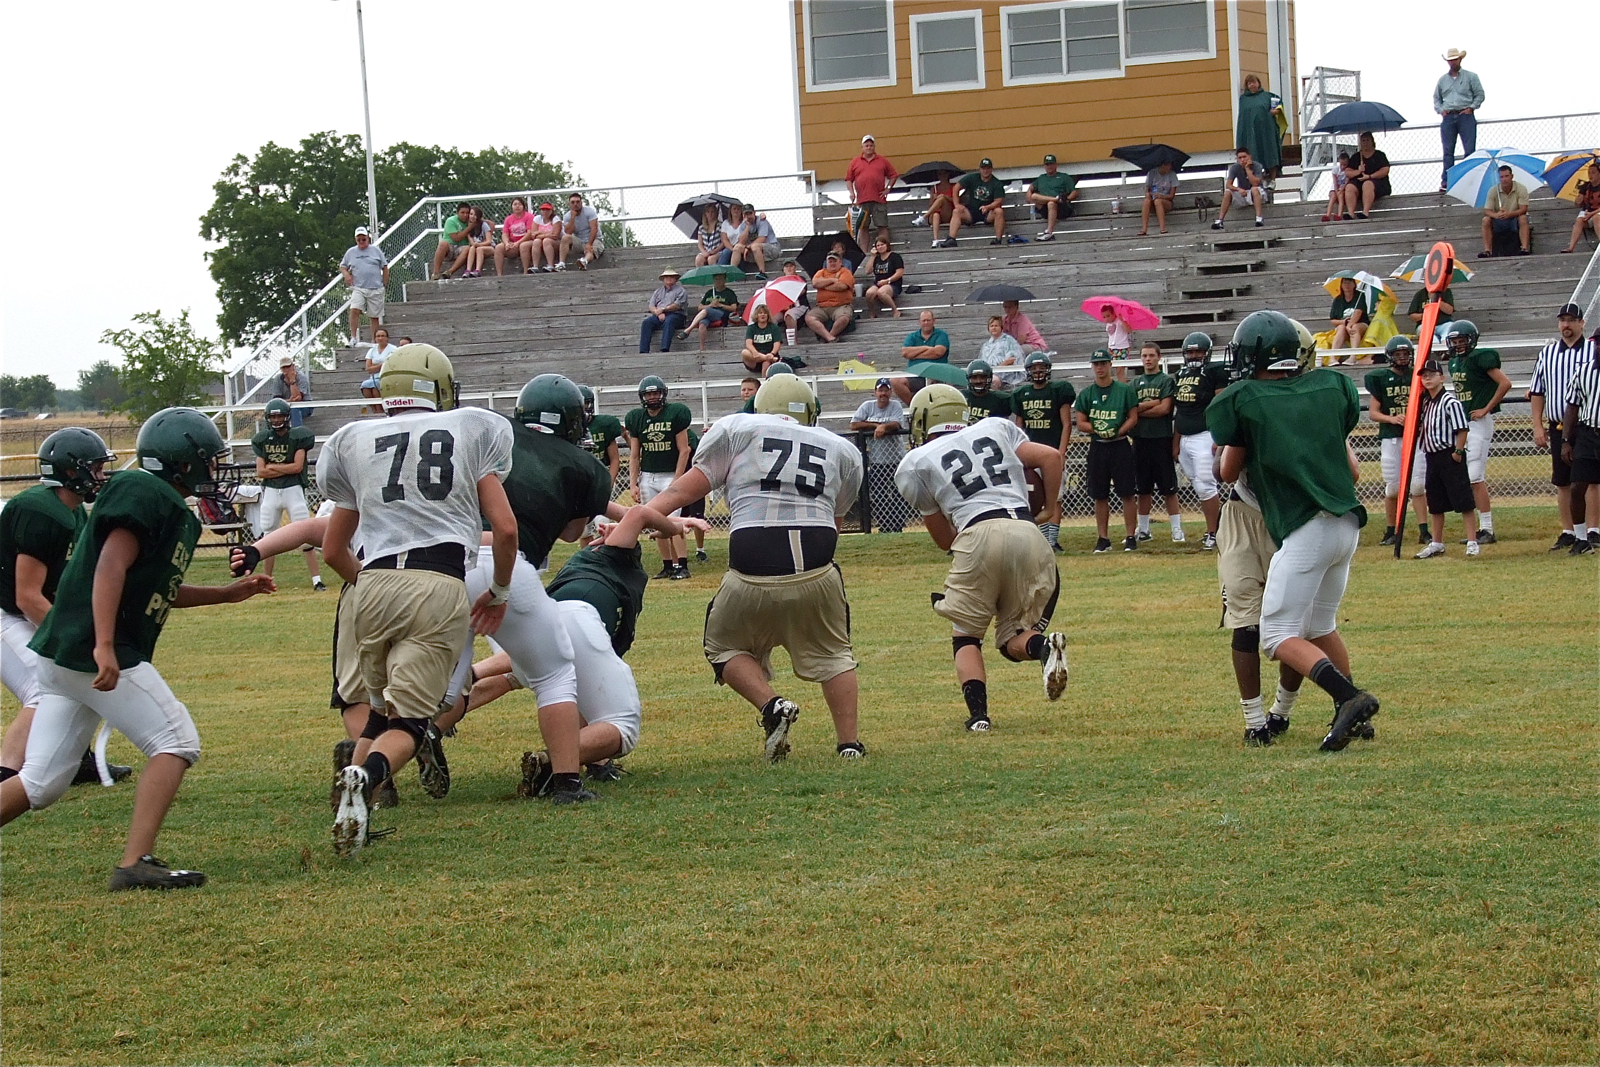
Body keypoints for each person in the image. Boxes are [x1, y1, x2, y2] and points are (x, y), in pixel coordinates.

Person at [0, 409, 275, 889]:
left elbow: (152, 586)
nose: (215, 468)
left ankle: (135, 863)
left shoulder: (164, 504)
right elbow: (110, 567)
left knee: (41, 782)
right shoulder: (144, 493)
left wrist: (224, 594)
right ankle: (134, 863)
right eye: (209, 459)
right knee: (176, 742)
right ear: (182, 461)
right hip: (91, 649)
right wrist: (105, 645)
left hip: (67, 655)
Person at [318, 344, 518, 855]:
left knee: (377, 711)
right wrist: (498, 590)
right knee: (408, 722)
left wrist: (368, 584)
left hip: (372, 583)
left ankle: (355, 805)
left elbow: (333, 550)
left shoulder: (352, 440)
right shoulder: (469, 429)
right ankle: (367, 775)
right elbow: (505, 528)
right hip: (437, 581)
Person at [646, 375, 866, 763]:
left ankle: (772, 705)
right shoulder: (841, 448)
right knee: (835, 655)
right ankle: (849, 744)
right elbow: (834, 523)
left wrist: (635, 518)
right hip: (816, 565)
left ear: (760, 406)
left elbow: (681, 491)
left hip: (752, 565)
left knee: (722, 646)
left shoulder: (738, 428)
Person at [428, 375, 621, 806]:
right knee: (555, 673)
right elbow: (571, 533)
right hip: (504, 563)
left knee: (443, 686)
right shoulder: (584, 466)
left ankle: (377, 767)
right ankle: (567, 783)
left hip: (444, 562)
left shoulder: (486, 431)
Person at [1208, 310, 1378, 753]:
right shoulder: (1332, 387)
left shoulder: (1245, 399)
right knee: (1320, 625)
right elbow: (1352, 471)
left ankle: (1349, 698)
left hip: (1305, 528)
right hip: (1346, 524)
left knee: (1277, 634)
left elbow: (1226, 471)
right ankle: (1352, 712)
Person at [456, 503, 707, 795]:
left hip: (543, 619)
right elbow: (638, 514)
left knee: (535, 680)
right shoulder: (611, 553)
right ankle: (551, 762)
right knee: (621, 725)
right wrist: (674, 527)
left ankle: (433, 721)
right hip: (579, 618)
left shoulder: (584, 563)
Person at [895, 384, 1070, 731]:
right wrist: (1050, 508)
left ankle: (979, 717)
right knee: (1013, 637)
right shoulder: (996, 427)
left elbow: (945, 540)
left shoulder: (916, 462)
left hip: (976, 533)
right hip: (1028, 531)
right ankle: (1043, 649)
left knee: (967, 637)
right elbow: (1052, 457)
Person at [0, 428, 131, 788]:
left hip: (22, 610)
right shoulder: (39, 511)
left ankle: (76, 760)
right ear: (72, 471)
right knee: (41, 690)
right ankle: (5, 775)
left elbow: (68, 583)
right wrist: (72, 638)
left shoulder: (72, 513)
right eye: (96, 468)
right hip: (7, 612)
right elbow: (27, 596)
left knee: (73, 677)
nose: (101, 476)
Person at [1530, 304, 1599, 549]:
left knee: (1591, 480)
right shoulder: (1547, 353)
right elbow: (1537, 391)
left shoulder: (1593, 349)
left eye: (1571, 320)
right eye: (1562, 320)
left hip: (1588, 424)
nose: (1566, 325)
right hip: (1559, 425)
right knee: (1563, 480)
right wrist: (1537, 425)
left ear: (1582, 323)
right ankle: (1568, 530)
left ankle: (1593, 530)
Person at [1444, 319, 1511, 544]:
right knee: (1468, 477)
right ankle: (1479, 530)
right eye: (1454, 341)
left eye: (1461, 340)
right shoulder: (1455, 362)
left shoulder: (1481, 358)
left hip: (1479, 422)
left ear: (1471, 340)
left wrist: (1486, 408)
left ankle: (1488, 529)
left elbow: (1505, 383)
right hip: (1464, 423)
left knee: (1475, 477)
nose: (1458, 345)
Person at [1365, 337, 1431, 548]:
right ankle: (1391, 531)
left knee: (1418, 485)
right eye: (1398, 354)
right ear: (1390, 356)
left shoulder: (1418, 376)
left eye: (1405, 354)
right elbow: (1373, 413)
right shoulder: (1381, 378)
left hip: (1416, 437)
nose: (1402, 358)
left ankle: (1424, 530)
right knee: (1393, 487)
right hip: (1391, 437)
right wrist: (1392, 419)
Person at [626, 376, 694, 580]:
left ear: (663, 394)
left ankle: (682, 565)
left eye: (656, 393)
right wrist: (633, 483)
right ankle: (668, 565)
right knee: (655, 521)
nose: (653, 397)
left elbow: (684, 450)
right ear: (642, 396)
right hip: (648, 476)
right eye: (649, 394)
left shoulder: (675, 413)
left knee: (673, 519)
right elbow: (634, 455)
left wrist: (678, 478)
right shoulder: (636, 418)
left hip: (670, 474)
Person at [252, 398, 324, 590]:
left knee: (306, 536)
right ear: (268, 418)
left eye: (280, 416)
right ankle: (266, 580)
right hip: (271, 491)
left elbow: (297, 467)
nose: (276, 420)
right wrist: (284, 467)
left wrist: (273, 467)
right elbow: (261, 471)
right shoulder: (262, 439)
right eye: (273, 417)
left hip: (293, 489)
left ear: (287, 417)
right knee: (268, 534)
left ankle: (317, 580)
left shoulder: (298, 437)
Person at [1074, 349, 1140, 553]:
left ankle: (1130, 536)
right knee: (1100, 494)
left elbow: (1133, 417)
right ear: (1092, 367)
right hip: (1098, 446)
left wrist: (1118, 430)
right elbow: (1080, 422)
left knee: (1127, 492)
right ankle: (1103, 538)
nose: (1100, 367)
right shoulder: (1087, 393)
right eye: (1096, 364)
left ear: (1110, 365)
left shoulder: (1124, 390)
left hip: (1120, 444)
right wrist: (1099, 430)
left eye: (1103, 363)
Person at [1414, 359, 1480, 558]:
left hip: (1448, 453)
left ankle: (1472, 540)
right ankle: (1437, 542)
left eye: (1431, 375)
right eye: (1424, 376)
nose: (1427, 379)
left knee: (1463, 499)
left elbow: (1462, 428)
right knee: (1435, 502)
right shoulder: (1426, 402)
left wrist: (1458, 452)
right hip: (1432, 455)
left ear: (1442, 378)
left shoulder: (1450, 402)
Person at [1009, 352, 1074, 552]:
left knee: (1055, 498)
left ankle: (1052, 540)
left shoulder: (1058, 390)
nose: (1038, 372)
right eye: (1034, 368)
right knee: (1034, 496)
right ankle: (1042, 539)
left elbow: (1066, 424)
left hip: (1052, 451)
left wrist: (1061, 452)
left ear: (1048, 369)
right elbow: (1019, 428)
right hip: (1031, 453)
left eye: (1041, 368)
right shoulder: (1022, 394)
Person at [1171, 332, 1229, 550]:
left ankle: (1215, 533)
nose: (1194, 355)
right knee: (1198, 485)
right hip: (1185, 437)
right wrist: (1176, 442)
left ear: (1208, 353)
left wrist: (1219, 436)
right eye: (1191, 352)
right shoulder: (1180, 374)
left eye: (1199, 351)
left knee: (1206, 486)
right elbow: (1181, 410)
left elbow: (1221, 405)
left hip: (1205, 435)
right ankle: (1213, 530)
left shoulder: (1215, 371)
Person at [1130, 342, 1184, 543]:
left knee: (1168, 487)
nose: (1148, 359)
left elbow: (1164, 409)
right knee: (1142, 488)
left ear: (1159, 357)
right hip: (1140, 439)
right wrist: (1153, 403)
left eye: (1151, 355)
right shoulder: (1135, 383)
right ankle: (1144, 529)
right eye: (1144, 356)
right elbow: (1130, 410)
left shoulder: (1166, 381)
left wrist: (1141, 409)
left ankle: (1176, 529)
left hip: (1161, 439)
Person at [850, 378, 911, 534]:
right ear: (875, 392)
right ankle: (884, 525)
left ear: (891, 392)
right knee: (878, 495)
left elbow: (896, 424)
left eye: (886, 390)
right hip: (877, 460)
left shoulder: (895, 405)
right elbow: (854, 424)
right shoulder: (867, 406)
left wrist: (884, 427)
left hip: (896, 459)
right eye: (880, 390)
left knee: (899, 494)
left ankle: (897, 526)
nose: (883, 393)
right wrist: (875, 425)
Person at [1559, 331, 1600, 554]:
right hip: (1588, 433)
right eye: (1597, 344)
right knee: (1577, 486)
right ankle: (1582, 538)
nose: (1599, 348)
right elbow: (1572, 407)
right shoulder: (1584, 372)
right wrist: (1566, 440)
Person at [1434, 48, 1484, 193]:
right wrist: (1441, 110)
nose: (1452, 62)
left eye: (1455, 59)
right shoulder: (1442, 80)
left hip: (1465, 115)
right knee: (1448, 151)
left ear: (1460, 60)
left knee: (1469, 150)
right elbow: (1436, 98)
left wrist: (1471, 108)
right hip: (1449, 116)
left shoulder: (1471, 77)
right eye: (1450, 60)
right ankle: (1447, 181)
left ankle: (1470, 179)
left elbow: (1480, 94)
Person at [340, 225, 389, 345]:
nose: (361, 242)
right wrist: (347, 275)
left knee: (374, 316)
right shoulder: (351, 252)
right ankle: (353, 337)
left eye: (364, 239)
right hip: (359, 287)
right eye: (359, 240)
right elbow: (343, 266)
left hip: (376, 288)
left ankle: (374, 341)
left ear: (368, 238)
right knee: (354, 309)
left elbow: (385, 267)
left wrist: (384, 283)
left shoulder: (376, 250)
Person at [844, 135, 898, 239]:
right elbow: (848, 179)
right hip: (862, 200)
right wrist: (852, 192)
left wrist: (888, 188)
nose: (869, 147)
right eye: (866, 145)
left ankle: (884, 247)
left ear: (874, 147)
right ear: (862, 147)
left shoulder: (882, 160)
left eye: (871, 145)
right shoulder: (855, 162)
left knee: (882, 225)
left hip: (879, 199)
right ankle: (863, 249)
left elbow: (894, 175)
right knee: (863, 227)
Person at [952, 159, 1014, 246]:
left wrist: (988, 207)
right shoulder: (972, 178)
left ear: (991, 169)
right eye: (983, 168)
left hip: (988, 212)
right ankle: (951, 239)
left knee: (999, 211)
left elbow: (998, 201)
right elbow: (956, 188)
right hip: (972, 210)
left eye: (988, 168)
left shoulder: (997, 183)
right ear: (980, 169)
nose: (985, 171)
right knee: (956, 211)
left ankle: (998, 240)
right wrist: (957, 204)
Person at [896, 309, 951, 403]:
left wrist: (914, 354)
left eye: (928, 320)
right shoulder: (912, 336)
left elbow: (937, 352)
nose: (926, 323)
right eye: (923, 320)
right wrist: (925, 348)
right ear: (920, 322)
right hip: (915, 375)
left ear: (934, 321)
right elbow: (905, 353)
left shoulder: (942, 335)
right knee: (895, 381)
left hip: (937, 375)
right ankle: (915, 406)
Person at [578, 384, 624, 498]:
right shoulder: (568, 427)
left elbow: (615, 459)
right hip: (578, 477)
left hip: (602, 474)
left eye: (586, 403)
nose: (583, 408)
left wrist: (609, 484)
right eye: (579, 404)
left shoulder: (604, 424)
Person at [1235, 74, 1283, 179]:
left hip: (1266, 131)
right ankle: (1257, 178)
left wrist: (1275, 110)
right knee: (1253, 153)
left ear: (1259, 83)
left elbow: (1278, 105)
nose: (1252, 85)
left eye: (1254, 82)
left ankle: (1272, 178)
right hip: (1252, 133)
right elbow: (1243, 118)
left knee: (1270, 153)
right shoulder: (1243, 100)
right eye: (1249, 83)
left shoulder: (1268, 96)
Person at [1478, 164, 1531, 258]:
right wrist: (1496, 215)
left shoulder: (1521, 188)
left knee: (1523, 218)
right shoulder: (1493, 190)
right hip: (1498, 220)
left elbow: (1523, 209)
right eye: (1501, 177)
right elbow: (1487, 210)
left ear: (1512, 176)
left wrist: (1510, 214)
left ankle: (1524, 248)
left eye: (1506, 176)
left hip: (1514, 219)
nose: (1504, 179)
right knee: (1485, 220)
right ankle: (1487, 250)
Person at [681, 270, 741, 351]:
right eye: (716, 279)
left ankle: (688, 330)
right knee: (702, 323)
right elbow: (700, 307)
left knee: (706, 311)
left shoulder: (729, 293)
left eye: (720, 279)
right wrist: (710, 305)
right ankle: (702, 348)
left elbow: (734, 308)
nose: (718, 281)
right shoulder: (709, 292)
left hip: (722, 314)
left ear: (724, 280)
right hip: (709, 314)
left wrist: (720, 305)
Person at [803, 251, 855, 344]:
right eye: (830, 261)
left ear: (840, 262)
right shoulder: (821, 272)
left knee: (844, 318)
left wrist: (823, 285)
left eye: (835, 261)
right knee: (809, 318)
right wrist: (833, 280)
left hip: (841, 305)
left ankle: (830, 336)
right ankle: (830, 338)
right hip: (822, 307)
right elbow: (815, 283)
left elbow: (841, 286)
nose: (832, 263)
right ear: (826, 262)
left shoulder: (845, 272)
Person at [1027, 154, 1078, 242]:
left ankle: (1049, 232)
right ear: (1044, 166)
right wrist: (1029, 192)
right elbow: (1031, 189)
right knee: (1034, 196)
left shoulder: (1064, 177)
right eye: (1047, 164)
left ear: (1055, 165)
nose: (1049, 166)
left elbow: (1074, 192)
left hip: (1062, 208)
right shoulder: (1041, 178)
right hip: (1046, 209)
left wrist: (1067, 199)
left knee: (1051, 203)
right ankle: (1056, 199)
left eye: (1051, 164)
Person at [1341, 132, 1392, 220]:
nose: (1365, 143)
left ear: (1372, 141)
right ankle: (1351, 213)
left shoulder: (1380, 155)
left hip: (1377, 183)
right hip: (1359, 183)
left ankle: (1365, 212)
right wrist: (1358, 171)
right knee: (1350, 187)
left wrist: (1370, 176)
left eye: (1367, 140)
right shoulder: (1356, 157)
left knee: (1367, 184)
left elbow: (1385, 170)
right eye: (1363, 140)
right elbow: (1348, 172)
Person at [639, 267, 689, 353]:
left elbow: (677, 306)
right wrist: (658, 313)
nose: (669, 278)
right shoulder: (658, 291)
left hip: (677, 315)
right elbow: (651, 306)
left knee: (669, 321)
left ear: (675, 279)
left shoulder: (681, 291)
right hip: (659, 315)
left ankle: (664, 349)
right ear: (663, 279)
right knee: (646, 323)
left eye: (671, 277)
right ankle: (643, 350)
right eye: (666, 277)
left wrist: (662, 310)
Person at [1213, 147, 1265, 230]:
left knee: (1254, 189)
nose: (1242, 160)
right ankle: (1220, 220)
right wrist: (1238, 189)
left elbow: (1255, 183)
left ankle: (1259, 218)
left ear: (1250, 157)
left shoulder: (1257, 166)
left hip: (1257, 193)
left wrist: (1247, 169)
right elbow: (1228, 185)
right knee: (1228, 192)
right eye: (1240, 158)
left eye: (1244, 157)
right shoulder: (1234, 168)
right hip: (1243, 192)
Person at [861, 235, 905, 318]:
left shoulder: (895, 256)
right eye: (878, 245)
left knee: (881, 292)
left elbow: (899, 273)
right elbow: (867, 271)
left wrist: (887, 280)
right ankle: (872, 313)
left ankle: (895, 310)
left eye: (882, 244)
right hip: (878, 283)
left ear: (887, 245)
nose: (880, 247)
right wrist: (872, 256)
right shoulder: (876, 258)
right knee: (869, 293)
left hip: (892, 283)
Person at [733, 203, 780, 278]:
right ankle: (732, 272)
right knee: (737, 247)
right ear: (743, 215)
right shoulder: (743, 225)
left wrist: (747, 247)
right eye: (746, 214)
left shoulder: (762, 221)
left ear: (754, 213)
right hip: (755, 252)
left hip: (772, 249)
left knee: (755, 246)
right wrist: (747, 227)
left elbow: (762, 238)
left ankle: (762, 273)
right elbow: (741, 241)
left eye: (750, 213)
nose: (748, 216)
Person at [560, 192, 603, 270]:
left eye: (577, 202)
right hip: (579, 240)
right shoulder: (567, 216)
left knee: (590, 250)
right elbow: (568, 232)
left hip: (594, 239)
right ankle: (561, 264)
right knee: (565, 238)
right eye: (573, 202)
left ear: (581, 203)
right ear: (569, 204)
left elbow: (594, 229)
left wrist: (589, 244)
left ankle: (584, 261)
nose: (575, 204)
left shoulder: (589, 211)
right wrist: (572, 217)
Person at [495, 197, 537, 276]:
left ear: (523, 206)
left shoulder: (529, 216)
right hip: (513, 243)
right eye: (515, 204)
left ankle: (525, 272)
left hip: (527, 242)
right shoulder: (508, 219)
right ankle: (499, 274)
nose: (517, 206)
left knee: (523, 246)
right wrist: (507, 243)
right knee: (499, 247)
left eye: (519, 204)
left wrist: (518, 243)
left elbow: (529, 233)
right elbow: (505, 234)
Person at [267, 355, 312, 427]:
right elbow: (276, 401)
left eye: (288, 367)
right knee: (271, 410)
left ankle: (297, 431)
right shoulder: (278, 379)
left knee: (294, 408)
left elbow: (297, 398)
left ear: (293, 366)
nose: (286, 369)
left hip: (304, 406)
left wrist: (292, 381)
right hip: (286, 406)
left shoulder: (301, 377)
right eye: (283, 367)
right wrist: (289, 401)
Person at [360, 326, 399, 408]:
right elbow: (368, 369)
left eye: (382, 336)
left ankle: (380, 409)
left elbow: (391, 365)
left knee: (375, 386)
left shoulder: (393, 349)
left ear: (387, 338)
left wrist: (375, 366)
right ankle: (375, 410)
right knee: (365, 386)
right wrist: (382, 365)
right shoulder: (372, 350)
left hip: (387, 376)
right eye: (378, 336)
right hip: (373, 377)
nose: (380, 338)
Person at [432, 202, 472, 280]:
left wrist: (479, 219)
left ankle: (449, 272)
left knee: (468, 248)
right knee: (442, 244)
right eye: (462, 212)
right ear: (457, 213)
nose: (465, 215)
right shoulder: (451, 221)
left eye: (467, 213)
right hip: (450, 247)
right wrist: (469, 228)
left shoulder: (471, 221)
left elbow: (491, 224)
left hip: (462, 248)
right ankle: (436, 273)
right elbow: (456, 238)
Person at [918, 170, 959, 247]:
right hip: (935, 216)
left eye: (944, 173)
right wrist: (933, 198)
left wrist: (945, 197)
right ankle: (935, 240)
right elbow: (930, 205)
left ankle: (924, 217)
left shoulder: (953, 186)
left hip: (947, 213)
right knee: (936, 214)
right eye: (939, 174)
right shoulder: (934, 188)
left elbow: (956, 201)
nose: (942, 176)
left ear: (948, 174)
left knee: (942, 198)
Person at [1329, 276, 1368, 355]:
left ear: (1354, 285)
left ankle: (1353, 356)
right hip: (1345, 326)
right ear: (1341, 285)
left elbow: (1358, 313)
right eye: (1345, 283)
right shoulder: (1338, 300)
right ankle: (1332, 357)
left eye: (1349, 283)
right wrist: (1345, 322)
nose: (1347, 285)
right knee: (1341, 327)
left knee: (1355, 327)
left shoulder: (1360, 296)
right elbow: (1333, 320)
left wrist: (1349, 325)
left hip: (1360, 324)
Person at [1561, 180, 1600, 254]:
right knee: (1579, 220)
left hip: (1597, 212)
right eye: (1589, 174)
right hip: (1587, 212)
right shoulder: (1586, 186)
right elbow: (1577, 204)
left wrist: (1591, 214)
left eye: (1593, 173)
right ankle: (1571, 247)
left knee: (1596, 218)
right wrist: (1578, 200)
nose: (1590, 175)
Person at [1140, 162, 1179, 236]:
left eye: (1170, 165)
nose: (1169, 167)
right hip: (1153, 199)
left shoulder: (1172, 175)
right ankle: (1144, 229)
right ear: (1161, 165)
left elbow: (1171, 196)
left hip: (1166, 201)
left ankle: (1162, 228)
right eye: (1167, 165)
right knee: (1146, 201)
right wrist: (1148, 194)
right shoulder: (1152, 173)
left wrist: (1162, 196)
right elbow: (1147, 189)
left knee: (1158, 201)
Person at [1100, 303, 1134, 381]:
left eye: (1108, 316)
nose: (1106, 319)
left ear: (1113, 313)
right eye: (1104, 317)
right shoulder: (1108, 325)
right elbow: (1111, 337)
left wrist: (1122, 320)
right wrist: (1109, 347)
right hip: (1112, 348)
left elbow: (1128, 330)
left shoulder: (1119, 321)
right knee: (1111, 370)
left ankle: (1122, 385)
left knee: (1120, 371)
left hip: (1121, 348)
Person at [460, 205, 496, 278]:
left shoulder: (484, 225)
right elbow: (472, 242)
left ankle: (477, 270)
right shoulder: (468, 228)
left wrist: (479, 244)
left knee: (479, 249)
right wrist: (475, 244)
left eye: (475, 215)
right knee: (472, 248)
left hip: (489, 247)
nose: (472, 216)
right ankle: (468, 270)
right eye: (471, 214)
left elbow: (489, 241)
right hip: (476, 247)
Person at [528, 202, 562, 272]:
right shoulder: (537, 219)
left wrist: (540, 233)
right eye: (543, 210)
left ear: (551, 211)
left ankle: (550, 265)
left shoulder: (555, 219)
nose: (545, 212)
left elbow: (555, 235)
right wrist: (547, 234)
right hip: (542, 241)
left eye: (547, 210)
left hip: (557, 242)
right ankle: (535, 266)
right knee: (536, 241)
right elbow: (533, 235)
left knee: (546, 241)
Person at [1321, 152, 1352, 223]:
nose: (1343, 167)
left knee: (1341, 197)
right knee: (1333, 197)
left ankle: (1339, 215)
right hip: (1335, 188)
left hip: (1342, 188)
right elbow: (1335, 182)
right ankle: (1328, 215)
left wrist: (1341, 190)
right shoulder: (1336, 170)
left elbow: (1346, 181)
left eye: (1345, 165)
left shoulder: (1348, 171)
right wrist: (1336, 191)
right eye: (1341, 164)